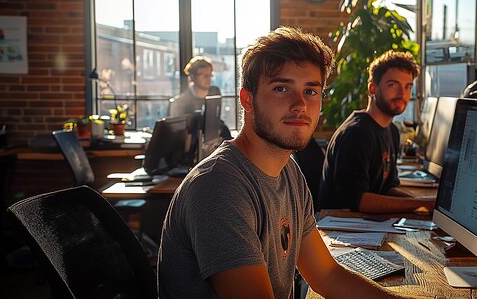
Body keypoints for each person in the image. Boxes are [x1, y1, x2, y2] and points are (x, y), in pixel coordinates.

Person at [158, 27, 409, 298]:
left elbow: (326, 275)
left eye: (311, 91)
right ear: (247, 100)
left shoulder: (288, 170)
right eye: (281, 88)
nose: (300, 104)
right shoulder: (218, 186)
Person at [318, 50, 435, 214]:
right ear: (372, 89)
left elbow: (387, 188)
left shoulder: (392, 131)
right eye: (393, 85)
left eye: (407, 87)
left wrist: (422, 203)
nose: (402, 94)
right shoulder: (358, 134)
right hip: (343, 228)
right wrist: (420, 205)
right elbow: (357, 201)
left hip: (367, 225)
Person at [169, 56, 231, 139]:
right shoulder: (180, 103)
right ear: (193, 77)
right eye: (204, 75)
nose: (208, 78)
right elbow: (177, 134)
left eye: (210, 75)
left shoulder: (214, 93)